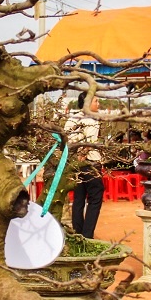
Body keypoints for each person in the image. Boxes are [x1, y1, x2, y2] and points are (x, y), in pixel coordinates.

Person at [66, 92, 105, 239]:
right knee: (95, 199)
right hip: (90, 163)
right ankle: (87, 236)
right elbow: (88, 142)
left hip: (75, 164)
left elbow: (67, 140)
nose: (98, 104)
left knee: (78, 199)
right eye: (96, 101)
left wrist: (76, 159)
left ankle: (78, 232)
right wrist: (82, 155)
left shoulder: (71, 118)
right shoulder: (92, 119)